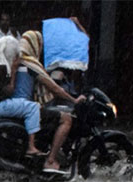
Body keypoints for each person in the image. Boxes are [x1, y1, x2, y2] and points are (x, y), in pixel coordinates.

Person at [17, 30, 83, 174]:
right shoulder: (30, 63)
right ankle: (51, 160)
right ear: (35, 45)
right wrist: (74, 100)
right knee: (66, 119)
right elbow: (53, 88)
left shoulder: (16, 61)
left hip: (16, 106)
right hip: (29, 107)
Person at [0, 36, 44, 158]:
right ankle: (31, 146)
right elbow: (9, 90)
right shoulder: (3, 67)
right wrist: (13, 71)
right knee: (32, 107)